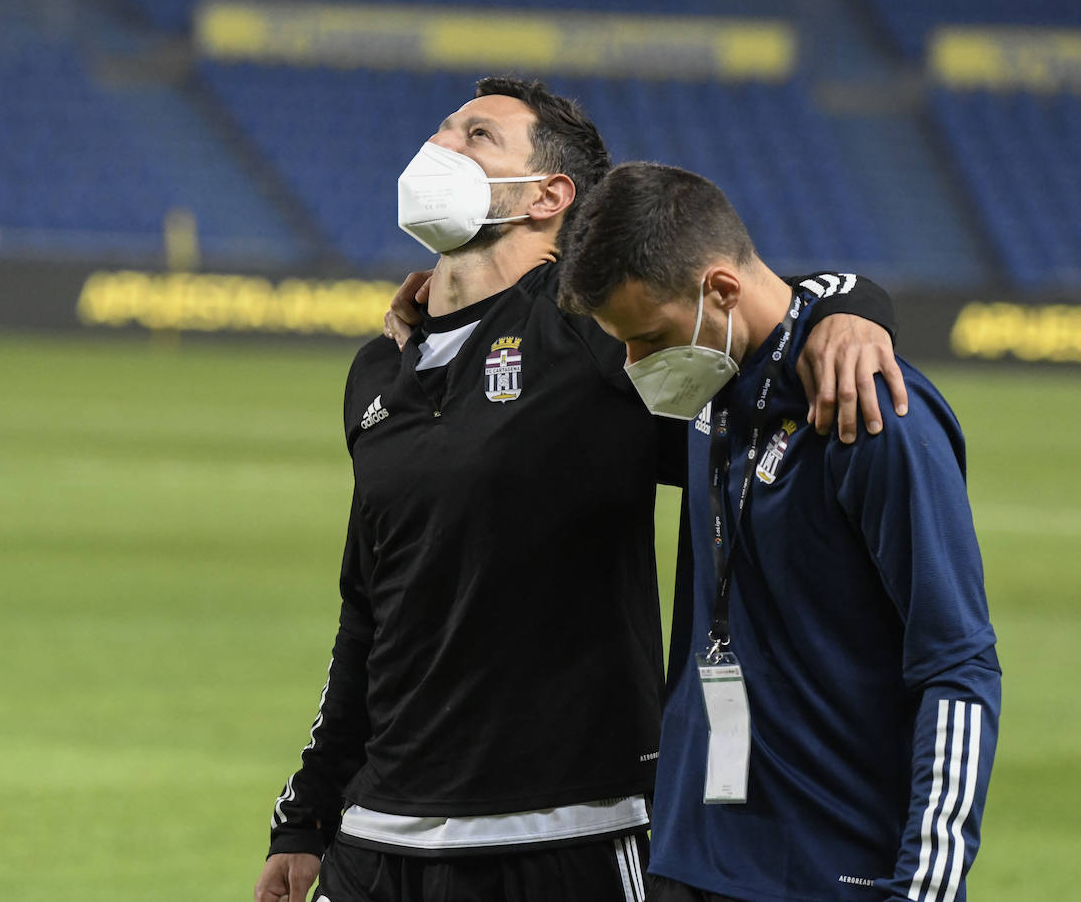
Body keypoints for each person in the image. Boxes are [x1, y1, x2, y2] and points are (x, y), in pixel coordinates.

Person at [256, 77, 902, 902]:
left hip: (566, 832)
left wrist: (854, 308)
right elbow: (368, 607)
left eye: (477, 136)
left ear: (549, 195)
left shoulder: (600, 335)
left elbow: (750, 310)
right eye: (443, 128)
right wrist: (308, 813)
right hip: (378, 835)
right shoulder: (379, 369)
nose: (438, 146)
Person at [558, 161, 1000, 902]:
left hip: (828, 870)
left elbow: (957, 666)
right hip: (691, 859)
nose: (633, 367)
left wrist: (924, 891)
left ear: (721, 291)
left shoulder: (870, 413)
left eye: (649, 338)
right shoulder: (714, 386)